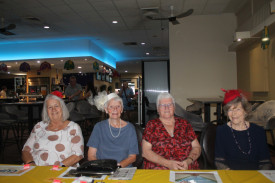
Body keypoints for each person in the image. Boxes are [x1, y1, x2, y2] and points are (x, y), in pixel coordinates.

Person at [22, 91, 84, 166]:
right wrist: (31, 163)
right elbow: (26, 150)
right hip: (36, 169)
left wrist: (56, 168)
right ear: (46, 111)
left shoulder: (73, 128)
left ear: (62, 108)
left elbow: (78, 155)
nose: (53, 109)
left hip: (61, 170)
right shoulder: (39, 126)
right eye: (50, 107)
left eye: (56, 106)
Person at [215, 89, 272, 170]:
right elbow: (219, 161)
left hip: (255, 176)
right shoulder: (221, 131)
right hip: (231, 176)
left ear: (245, 111)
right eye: (230, 110)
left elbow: (265, 161)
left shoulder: (259, 131)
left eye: (238, 109)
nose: (234, 113)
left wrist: (259, 177)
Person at [142, 92, 201, 170]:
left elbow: (197, 147)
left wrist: (188, 161)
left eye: (170, 105)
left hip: (186, 168)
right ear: (158, 109)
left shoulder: (185, 124)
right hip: (160, 169)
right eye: (163, 105)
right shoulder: (152, 125)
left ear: (174, 107)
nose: (167, 108)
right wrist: (168, 164)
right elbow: (145, 152)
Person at [87, 92, 139, 167]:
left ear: (121, 109)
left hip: (123, 168)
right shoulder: (98, 127)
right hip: (102, 168)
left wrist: (117, 167)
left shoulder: (130, 128)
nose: (115, 109)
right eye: (111, 107)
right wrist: (100, 167)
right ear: (106, 110)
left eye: (118, 106)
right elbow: (91, 155)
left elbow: (132, 157)